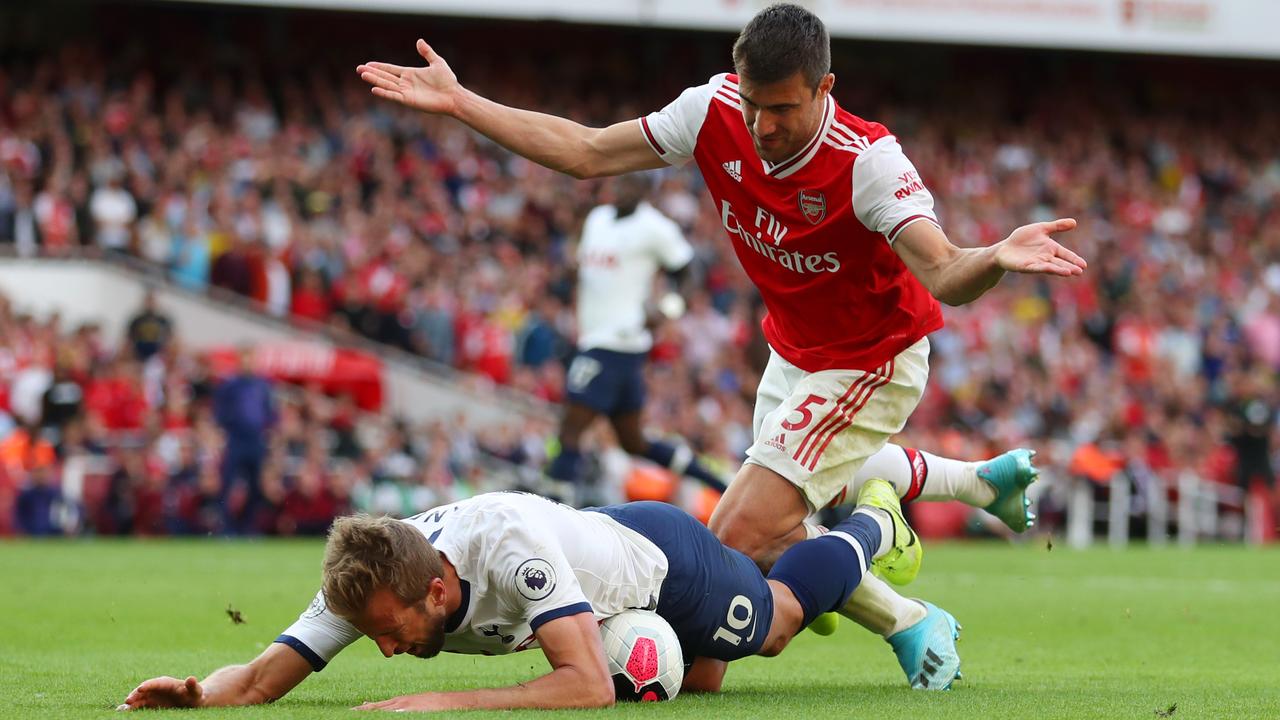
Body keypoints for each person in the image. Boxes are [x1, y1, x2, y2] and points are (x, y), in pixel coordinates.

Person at [355, 2, 1085, 689]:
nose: (763, 125)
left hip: (873, 358)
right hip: (792, 355)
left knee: (732, 536)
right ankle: (964, 501)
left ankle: (883, 541)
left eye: (783, 108)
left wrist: (993, 255)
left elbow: (945, 271)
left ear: (824, 87)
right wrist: (461, 103)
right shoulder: (710, 110)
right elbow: (583, 152)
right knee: (717, 641)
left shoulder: (868, 161)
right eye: (754, 104)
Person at [118, 485, 922, 711]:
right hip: (590, 572)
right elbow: (259, 681)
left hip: (658, 557)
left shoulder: (504, 545)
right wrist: (193, 694)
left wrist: (442, 700)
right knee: (699, 686)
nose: (386, 651)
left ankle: (872, 525)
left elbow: (588, 688)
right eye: (377, 641)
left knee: (776, 625)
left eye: (394, 636)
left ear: (436, 586)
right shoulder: (367, 582)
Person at [548, 173, 726, 502]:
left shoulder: (655, 228)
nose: (618, 187)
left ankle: (551, 506)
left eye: (628, 182)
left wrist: (667, 310)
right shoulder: (598, 218)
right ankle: (718, 483)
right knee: (633, 442)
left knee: (571, 428)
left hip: (618, 340)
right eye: (616, 181)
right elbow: (590, 268)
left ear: (645, 189)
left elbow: (689, 273)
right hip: (595, 336)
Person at [212, 347, 278, 534]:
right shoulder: (229, 385)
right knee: (227, 482)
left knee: (256, 485)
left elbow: (271, 413)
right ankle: (227, 528)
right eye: (245, 359)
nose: (248, 363)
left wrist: (271, 434)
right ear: (239, 361)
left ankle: (248, 526)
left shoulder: (263, 385)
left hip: (256, 440)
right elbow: (220, 412)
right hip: (235, 439)